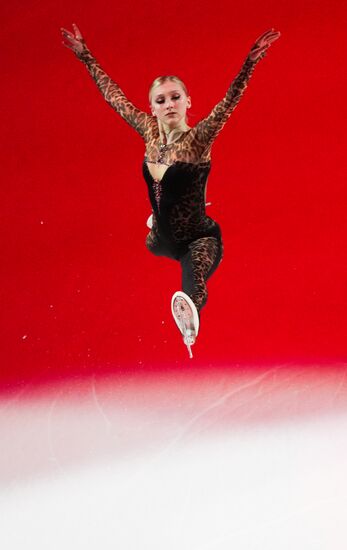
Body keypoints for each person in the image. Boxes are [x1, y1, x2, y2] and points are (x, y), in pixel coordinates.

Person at [61, 24, 281, 358]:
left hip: (198, 236)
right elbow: (113, 97)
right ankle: (156, 221)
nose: (169, 104)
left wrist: (250, 62)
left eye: (175, 97)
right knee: (160, 230)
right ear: (152, 107)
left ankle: (189, 319)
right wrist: (85, 54)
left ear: (188, 101)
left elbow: (229, 101)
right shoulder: (148, 131)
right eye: (160, 100)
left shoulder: (198, 139)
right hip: (160, 239)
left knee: (195, 274)